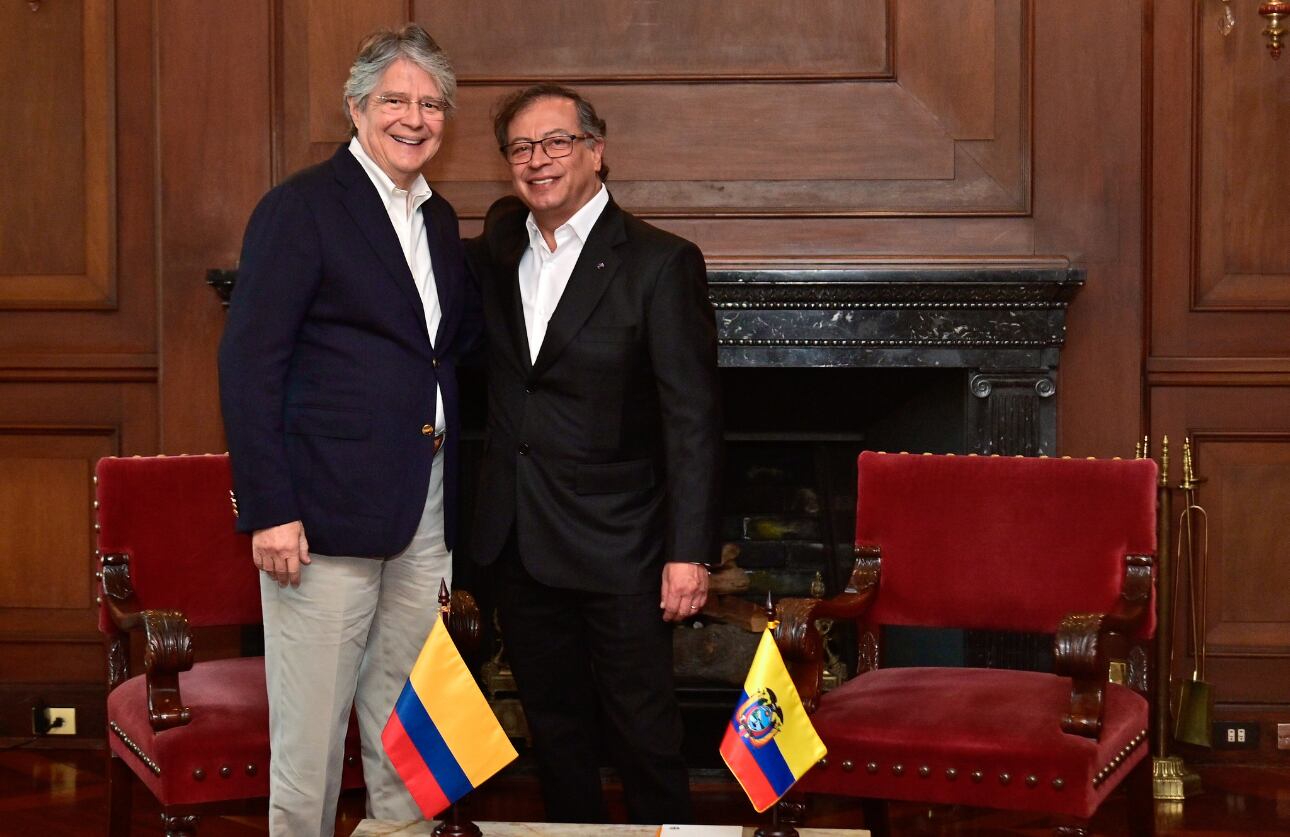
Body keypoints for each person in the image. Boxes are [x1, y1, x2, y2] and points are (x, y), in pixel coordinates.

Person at [217, 24, 476, 836]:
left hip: (421, 513)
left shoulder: (439, 220)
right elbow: (249, 364)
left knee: (409, 725)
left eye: (431, 103)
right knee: (311, 738)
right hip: (317, 520)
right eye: (396, 99)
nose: (415, 116)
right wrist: (268, 507)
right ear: (357, 108)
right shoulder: (301, 208)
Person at [466, 84, 722, 824]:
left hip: (625, 549)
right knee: (555, 733)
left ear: (596, 152)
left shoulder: (660, 263)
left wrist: (692, 551)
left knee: (645, 737)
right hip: (520, 541)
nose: (537, 160)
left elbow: (693, 421)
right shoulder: (499, 248)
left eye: (555, 143)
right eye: (520, 147)